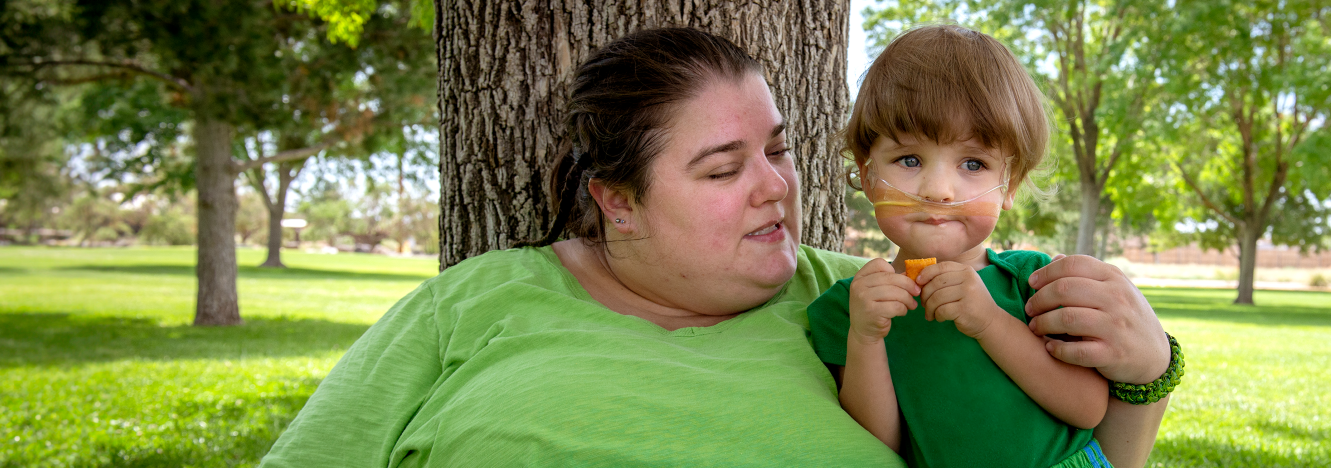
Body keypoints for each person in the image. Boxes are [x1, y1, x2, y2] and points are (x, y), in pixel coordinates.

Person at [260, 27, 1176, 467]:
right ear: (616, 201)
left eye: (777, 149)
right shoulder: (476, 302)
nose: (777, 187)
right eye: (721, 169)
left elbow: (1077, 453)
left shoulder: (863, 294)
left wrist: (1148, 376)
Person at [806, 25, 1182, 468]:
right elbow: (878, 447)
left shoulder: (1036, 282)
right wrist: (865, 338)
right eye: (910, 159)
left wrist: (989, 321)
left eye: (973, 163)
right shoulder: (850, 309)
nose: (939, 190)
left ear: (1010, 184)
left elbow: (1087, 408)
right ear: (869, 177)